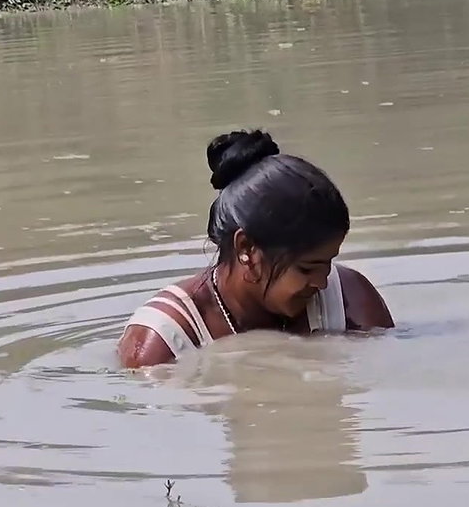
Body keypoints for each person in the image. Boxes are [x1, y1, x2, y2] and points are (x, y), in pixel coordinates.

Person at [117, 129, 394, 368]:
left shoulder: (350, 300)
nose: (322, 282)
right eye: (307, 268)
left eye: (328, 262)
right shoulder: (164, 342)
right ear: (246, 248)